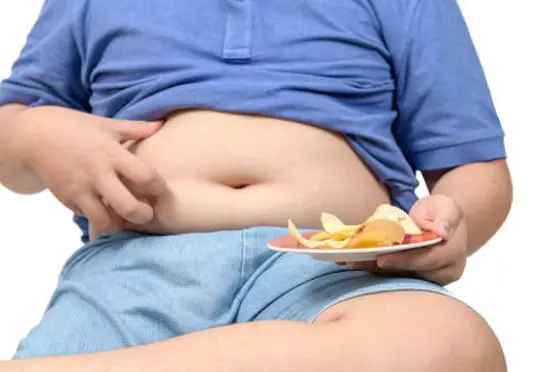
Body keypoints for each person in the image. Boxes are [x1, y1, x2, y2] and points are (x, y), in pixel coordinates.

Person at [0, 0, 512, 371]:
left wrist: (449, 221)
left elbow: (475, 167)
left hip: (338, 268)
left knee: (453, 346)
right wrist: (41, 135)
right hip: (133, 270)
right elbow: (12, 139)